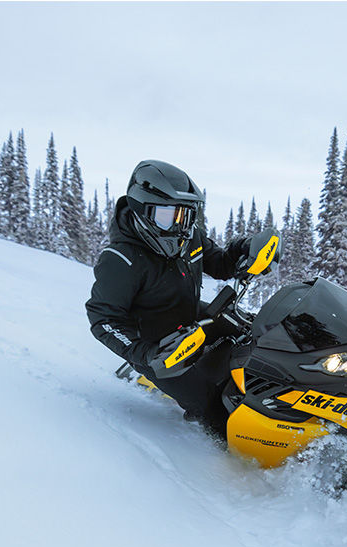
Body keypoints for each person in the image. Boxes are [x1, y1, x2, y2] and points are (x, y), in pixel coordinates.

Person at [86, 159, 266, 436]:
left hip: (191, 317)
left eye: (186, 215)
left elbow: (219, 263)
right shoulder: (120, 260)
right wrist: (146, 353)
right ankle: (236, 462)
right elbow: (103, 319)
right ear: (142, 211)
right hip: (160, 350)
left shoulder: (187, 236)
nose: (179, 226)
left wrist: (245, 251)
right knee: (214, 406)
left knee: (257, 336)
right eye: (167, 216)